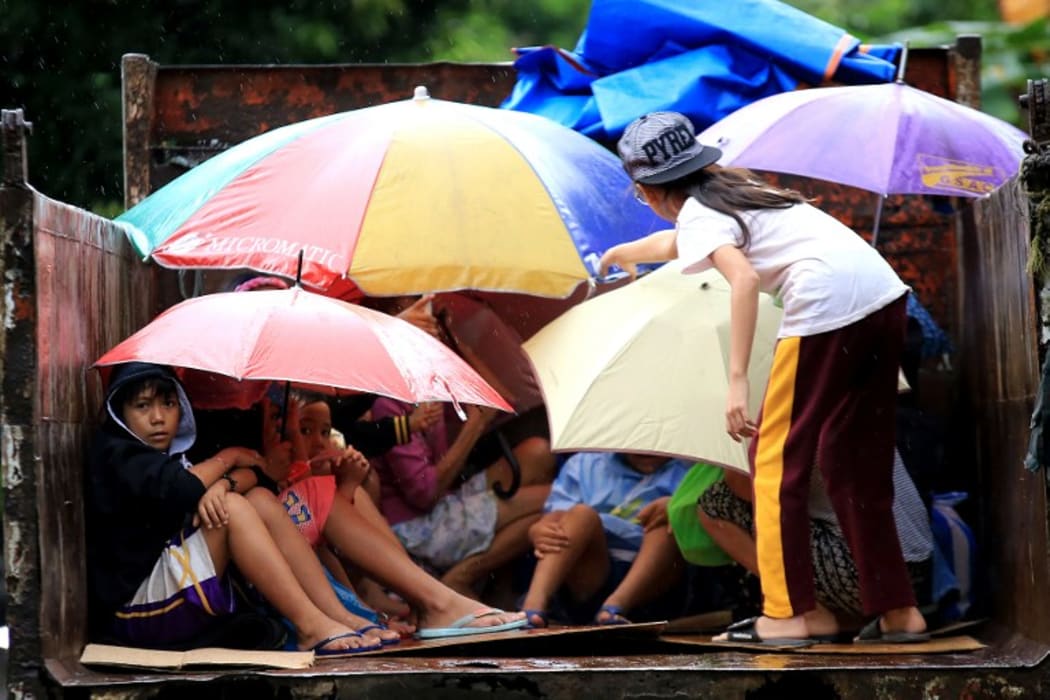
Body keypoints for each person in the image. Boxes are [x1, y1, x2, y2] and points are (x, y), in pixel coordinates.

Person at [599, 111, 927, 645]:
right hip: (883, 299)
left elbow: (743, 278)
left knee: (771, 464)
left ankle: (790, 613)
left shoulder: (704, 212)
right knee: (853, 463)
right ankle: (899, 611)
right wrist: (624, 253)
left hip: (824, 310)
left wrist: (736, 383)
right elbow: (687, 242)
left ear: (648, 191)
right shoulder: (736, 191)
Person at [84, 362, 379, 655]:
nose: (158, 418)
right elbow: (184, 488)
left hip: (167, 593)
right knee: (233, 509)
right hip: (135, 612)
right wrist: (231, 456)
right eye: (142, 406)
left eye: (169, 404)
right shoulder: (119, 453)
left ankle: (334, 613)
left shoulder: (171, 455)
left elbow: (259, 476)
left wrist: (222, 484)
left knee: (260, 499)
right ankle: (310, 626)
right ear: (120, 412)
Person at [250, 394, 530, 639]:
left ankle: (424, 599)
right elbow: (424, 492)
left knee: (347, 491)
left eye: (324, 432)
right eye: (300, 429)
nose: (314, 441)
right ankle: (434, 601)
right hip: (412, 526)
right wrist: (472, 425)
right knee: (326, 490)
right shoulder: (390, 406)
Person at [697, 452, 934, 637]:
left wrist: (734, 452)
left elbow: (749, 489)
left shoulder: (792, 409)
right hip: (913, 577)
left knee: (716, 502)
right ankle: (863, 615)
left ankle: (804, 610)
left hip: (860, 573)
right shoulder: (848, 399)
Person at [370, 396, 552, 597]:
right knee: (554, 502)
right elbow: (424, 493)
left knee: (537, 453)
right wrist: (476, 424)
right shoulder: (389, 405)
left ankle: (495, 588)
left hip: (447, 498)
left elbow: (500, 403)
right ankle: (460, 578)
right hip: (418, 528)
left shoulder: (432, 391)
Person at [519, 452, 690, 627]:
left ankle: (614, 607)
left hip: (658, 574)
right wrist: (539, 529)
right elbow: (556, 514)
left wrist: (677, 507)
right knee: (580, 514)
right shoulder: (586, 464)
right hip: (593, 568)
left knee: (668, 518)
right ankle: (532, 607)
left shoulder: (692, 470)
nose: (643, 452)